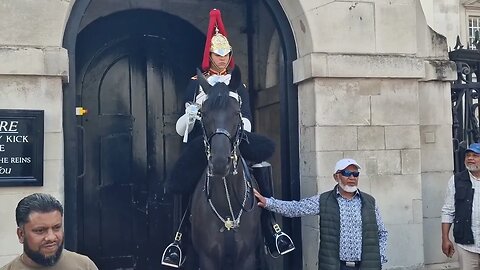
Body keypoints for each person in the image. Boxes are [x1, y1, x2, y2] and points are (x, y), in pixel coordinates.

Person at [161, 8, 294, 268]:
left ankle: (271, 230)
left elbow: (246, 117)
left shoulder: (237, 85)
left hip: (235, 138)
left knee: (261, 167)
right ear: (209, 56)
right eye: (217, 55)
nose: (222, 60)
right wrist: (190, 115)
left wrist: (239, 127)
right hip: (205, 143)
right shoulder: (196, 83)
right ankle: (178, 239)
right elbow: (180, 128)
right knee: (183, 177)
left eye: (226, 55)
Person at [255, 158, 388, 270]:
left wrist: (379, 258)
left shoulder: (369, 202)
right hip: (335, 266)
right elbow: (296, 208)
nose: (352, 177)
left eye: (355, 174)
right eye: (347, 173)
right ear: (336, 176)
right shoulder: (323, 200)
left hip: (366, 266)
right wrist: (268, 202)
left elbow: (382, 233)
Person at [0, 193, 98, 270]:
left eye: (56, 227)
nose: (51, 237)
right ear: (21, 235)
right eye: (40, 230)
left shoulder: (84, 266)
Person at [441, 143, 480, 270]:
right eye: (468, 155)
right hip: (466, 245)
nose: (470, 158)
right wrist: (445, 238)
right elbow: (448, 210)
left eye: (475, 155)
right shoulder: (456, 180)